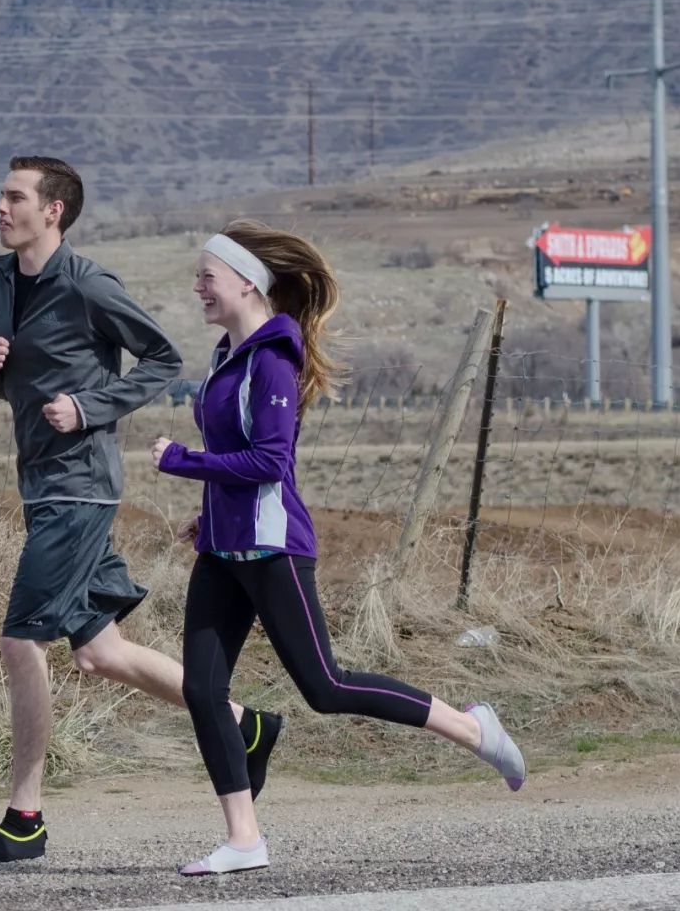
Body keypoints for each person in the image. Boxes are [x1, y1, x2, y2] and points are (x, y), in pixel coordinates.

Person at [151, 220, 526, 878]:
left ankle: (474, 730)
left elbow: (269, 461)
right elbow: (241, 460)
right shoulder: (226, 355)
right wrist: (206, 512)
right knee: (204, 689)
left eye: (206, 277)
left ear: (246, 282)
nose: (198, 288)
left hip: (274, 551)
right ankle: (245, 840)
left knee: (325, 686)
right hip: (223, 548)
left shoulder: (273, 358)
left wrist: (184, 461)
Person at [0, 159, 284, 866]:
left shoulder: (88, 283)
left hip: (81, 486)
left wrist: (90, 407)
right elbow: (11, 387)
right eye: (2, 196)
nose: (0, 207)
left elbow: (161, 359)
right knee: (100, 652)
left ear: (54, 212)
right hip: (40, 481)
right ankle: (243, 727)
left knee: (20, 642)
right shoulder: (1, 282)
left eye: (15, 197)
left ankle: (24, 820)